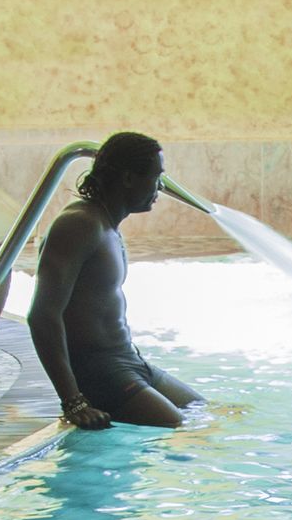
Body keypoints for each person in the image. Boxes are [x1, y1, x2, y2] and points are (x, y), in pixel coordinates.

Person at [26, 131, 205, 431]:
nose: (160, 186)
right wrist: (73, 401)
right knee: (186, 429)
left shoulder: (106, 223)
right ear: (128, 178)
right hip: (101, 373)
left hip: (129, 361)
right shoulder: (79, 224)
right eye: (155, 176)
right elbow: (42, 316)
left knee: (213, 414)